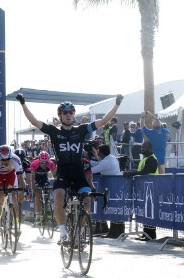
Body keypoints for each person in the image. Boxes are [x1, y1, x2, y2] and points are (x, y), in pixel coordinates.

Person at [16, 92, 123, 244]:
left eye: (71, 112)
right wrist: (23, 103)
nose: (68, 115)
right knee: (59, 196)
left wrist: (117, 104)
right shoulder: (54, 131)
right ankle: (63, 232)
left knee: (86, 202)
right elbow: (34, 121)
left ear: (73, 115)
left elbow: (104, 121)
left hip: (79, 173)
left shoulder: (81, 130)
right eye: (65, 113)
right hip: (63, 173)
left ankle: (81, 230)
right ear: (60, 116)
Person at [123, 141, 158, 241]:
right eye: (142, 147)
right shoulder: (145, 158)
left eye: (144, 148)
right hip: (144, 189)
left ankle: (151, 234)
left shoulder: (152, 159)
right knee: (145, 212)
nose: (142, 149)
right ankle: (145, 233)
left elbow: (144, 172)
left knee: (149, 212)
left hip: (151, 188)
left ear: (150, 148)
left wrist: (131, 173)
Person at [91, 144, 124, 238]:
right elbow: (100, 163)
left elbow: (93, 170)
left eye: (98, 152)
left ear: (101, 153)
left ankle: (115, 232)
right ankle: (118, 231)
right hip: (116, 186)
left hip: (113, 187)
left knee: (114, 209)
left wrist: (84, 165)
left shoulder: (106, 162)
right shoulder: (112, 158)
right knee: (115, 209)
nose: (97, 153)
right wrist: (89, 160)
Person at [0, 145, 25, 233]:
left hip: (10, 176)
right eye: (3, 160)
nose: (6, 161)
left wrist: (23, 190)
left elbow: (20, 177)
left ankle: (16, 224)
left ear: (11, 156)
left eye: (8, 159)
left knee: (13, 197)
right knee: (0, 195)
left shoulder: (16, 159)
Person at [30, 151, 56, 225]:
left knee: (47, 190)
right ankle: (37, 216)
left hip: (45, 177)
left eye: (46, 162)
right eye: (42, 162)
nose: (44, 164)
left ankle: (47, 207)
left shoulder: (51, 164)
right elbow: (32, 178)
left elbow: (55, 176)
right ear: (39, 160)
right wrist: (33, 187)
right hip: (36, 178)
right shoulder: (34, 164)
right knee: (38, 195)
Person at [13, 148, 33, 213]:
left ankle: (19, 205)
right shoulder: (10, 162)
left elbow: (28, 178)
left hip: (20, 177)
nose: (19, 160)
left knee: (22, 187)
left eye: (21, 159)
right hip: (12, 176)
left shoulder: (26, 163)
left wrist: (29, 189)